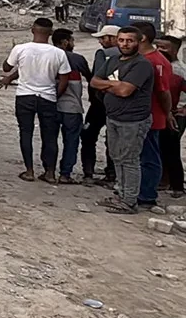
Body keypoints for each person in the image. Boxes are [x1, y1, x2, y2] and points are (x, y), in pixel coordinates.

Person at [91, 25, 156, 213]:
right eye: (121, 40)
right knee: (117, 157)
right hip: (113, 117)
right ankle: (119, 194)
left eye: (129, 40)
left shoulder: (142, 64)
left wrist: (110, 86)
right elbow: (94, 81)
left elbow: (125, 91)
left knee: (129, 160)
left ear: (138, 41)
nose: (125, 44)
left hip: (133, 120)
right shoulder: (113, 60)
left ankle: (129, 201)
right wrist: (115, 85)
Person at [0, 17, 71, 183]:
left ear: (32, 30)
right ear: (51, 33)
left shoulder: (20, 49)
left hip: (24, 97)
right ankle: (50, 173)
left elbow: (6, 67)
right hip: (47, 98)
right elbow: (64, 80)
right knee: (50, 136)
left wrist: (11, 54)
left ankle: (29, 170)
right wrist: (54, 95)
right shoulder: (59, 53)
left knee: (26, 132)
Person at [134, 21, 177, 209]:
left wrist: (167, 114)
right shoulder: (141, 58)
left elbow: (163, 92)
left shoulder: (156, 62)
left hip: (151, 116)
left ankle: (147, 195)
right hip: (135, 116)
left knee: (149, 156)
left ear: (141, 38)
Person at [82, 25, 121, 183]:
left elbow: (96, 79)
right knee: (114, 139)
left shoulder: (103, 54)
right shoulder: (133, 55)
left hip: (100, 103)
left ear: (113, 38)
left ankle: (88, 172)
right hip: (120, 103)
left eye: (103, 38)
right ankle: (112, 173)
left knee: (88, 136)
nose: (100, 41)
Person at [51, 28, 89, 184]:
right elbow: (91, 78)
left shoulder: (48, 56)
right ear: (65, 42)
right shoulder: (77, 59)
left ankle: (49, 171)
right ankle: (65, 174)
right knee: (71, 141)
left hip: (51, 106)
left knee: (50, 140)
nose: (73, 43)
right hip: (72, 108)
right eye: (72, 40)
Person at [155, 34, 186, 198]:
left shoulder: (179, 70)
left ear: (175, 51)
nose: (159, 50)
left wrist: (182, 109)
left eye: (164, 47)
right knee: (161, 147)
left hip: (175, 115)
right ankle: (163, 180)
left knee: (171, 149)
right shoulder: (161, 66)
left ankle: (177, 186)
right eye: (158, 46)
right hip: (162, 113)